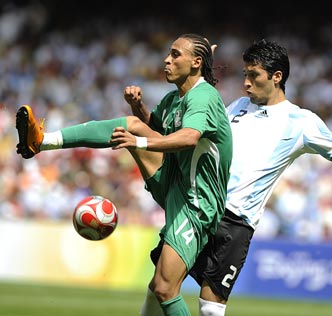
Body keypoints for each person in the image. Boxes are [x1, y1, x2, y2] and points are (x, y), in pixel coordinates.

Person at [16, 38, 332, 316]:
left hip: (235, 220)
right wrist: (144, 118)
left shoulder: (302, 121)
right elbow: (175, 135)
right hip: (198, 202)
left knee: (208, 308)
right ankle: (45, 139)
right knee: (160, 285)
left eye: (254, 76)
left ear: (276, 77)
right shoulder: (232, 107)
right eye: (244, 74)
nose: (246, 82)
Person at [15, 33, 233, 316]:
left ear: (196, 63)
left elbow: (189, 137)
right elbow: (158, 128)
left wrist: (138, 143)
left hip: (197, 202)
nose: (167, 59)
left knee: (164, 287)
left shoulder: (204, 96)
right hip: (176, 181)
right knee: (131, 124)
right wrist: (139, 109)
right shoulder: (174, 99)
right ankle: (42, 141)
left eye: (175, 54)